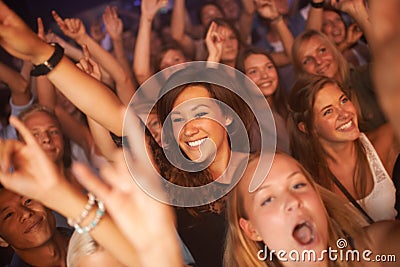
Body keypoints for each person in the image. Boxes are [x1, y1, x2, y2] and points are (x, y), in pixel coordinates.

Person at [224, 152, 400, 267]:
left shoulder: (373, 250)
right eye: (268, 199)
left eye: (298, 185)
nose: (292, 201)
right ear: (251, 230)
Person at [153, 68, 254, 266]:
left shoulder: (266, 170)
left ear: (227, 115)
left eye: (199, 113)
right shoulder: (174, 185)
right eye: (178, 119)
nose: (189, 130)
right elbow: (117, 119)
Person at [287, 75, 398, 222]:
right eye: (328, 111)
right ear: (308, 128)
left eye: (344, 100)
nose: (345, 114)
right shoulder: (310, 180)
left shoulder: (385, 141)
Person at [291, 29, 386, 132]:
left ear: (334, 50)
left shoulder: (364, 75)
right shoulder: (311, 111)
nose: (318, 61)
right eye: (307, 60)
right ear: (302, 73)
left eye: (322, 50)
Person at [0, 186, 71, 267]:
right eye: (9, 215)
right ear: (1, 240)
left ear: (47, 203)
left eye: (28, 201)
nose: (26, 214)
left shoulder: (86, 234)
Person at [238, 47, 290, 154]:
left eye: (269, 67)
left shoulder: (289, 110)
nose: (264, 75)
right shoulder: (245, 125)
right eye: (254, 72)